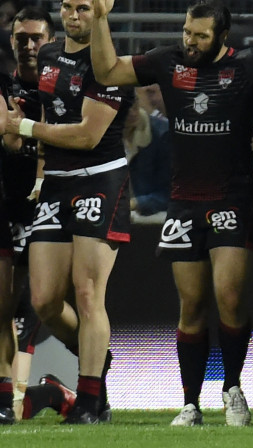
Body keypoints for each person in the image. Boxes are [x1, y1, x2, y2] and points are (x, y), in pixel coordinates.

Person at [89, 0, 253, 426]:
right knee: (191, 304)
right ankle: (190, 402)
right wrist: (103, 18)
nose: (189, 41)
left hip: (233, 197)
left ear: (221, 35)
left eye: (199, 35)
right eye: (186, 32)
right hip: (183, 201)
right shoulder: (167, 62)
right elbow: (107, 72)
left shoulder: (250, 65)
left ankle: (232, 388)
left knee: (230, 299)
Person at [2, 0, 135, 424]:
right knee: (42, 300)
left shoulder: (113, 67)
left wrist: (20, 128)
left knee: (87, 292)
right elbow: (48, 112)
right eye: (67, 6)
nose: (73, 15)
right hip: (57, 182)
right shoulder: (47, 55)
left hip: (99, 178)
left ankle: (92, 402)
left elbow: (88, 135)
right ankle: (95, 356)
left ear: (101, 12)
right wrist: (36, 160)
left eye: (83, 7)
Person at [0, 6, 55, 422]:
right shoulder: (4, 88)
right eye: (22, 38)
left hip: (54, 207)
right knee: (5, 308)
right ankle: (15, 396)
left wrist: (27, 138)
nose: (30, 45)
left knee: (44, 304)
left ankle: (92, 378)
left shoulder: (66, 88)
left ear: (51, 40)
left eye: (37, 38)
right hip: (10, 206)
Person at [125, 90, 171, 217]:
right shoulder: (102, 136)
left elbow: (170, 193)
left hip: (150, 219)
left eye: (134, 105)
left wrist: (135, 203)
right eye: (126, 109)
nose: (133, 112)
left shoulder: (162, 134)